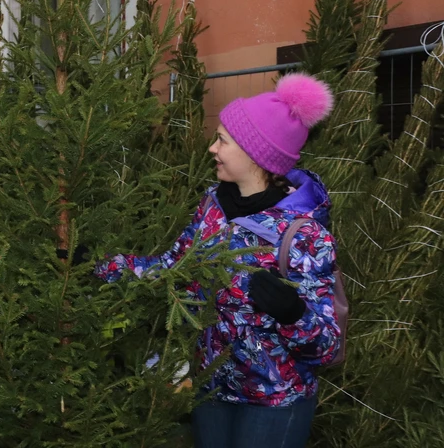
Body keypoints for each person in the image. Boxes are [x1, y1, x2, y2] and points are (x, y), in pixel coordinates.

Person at [95, 73, 341, 448]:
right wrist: (98, 265)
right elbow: (175, 269)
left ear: (256, 153)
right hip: (212, 390)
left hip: (274, 401)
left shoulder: (303, 235)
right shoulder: (214, 207)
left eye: (223, 140)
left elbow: (325, 346)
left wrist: (293, 314)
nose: (212, 148)